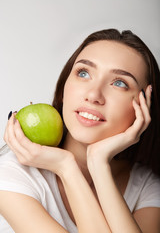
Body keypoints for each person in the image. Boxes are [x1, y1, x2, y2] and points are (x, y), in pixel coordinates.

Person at [0, 28, 160, 233]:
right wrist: (66, 167)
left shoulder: (146, 186)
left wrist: (98, 163)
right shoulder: (12, 174)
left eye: (119, 83)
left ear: (144, 106)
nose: (93, 94)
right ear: (64, 88)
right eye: (83, 73)